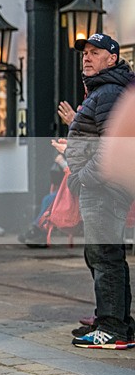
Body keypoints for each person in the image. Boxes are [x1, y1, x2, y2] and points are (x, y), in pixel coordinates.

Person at [65, 33, 135, 349]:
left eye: (96, 52)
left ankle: (112, 329)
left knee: (104, 254)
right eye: (85, 53)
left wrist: (83, 177)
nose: (87, 57)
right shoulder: (105, 91)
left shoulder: (107, 93)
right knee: (103, 253)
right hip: (104, 185)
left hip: (104, 187)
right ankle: (118, 323)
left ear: (112, 58)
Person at [18, 101, 76, 247]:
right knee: (49, 199)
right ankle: (38, 231)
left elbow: (77, 167)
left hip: (79, 189)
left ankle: (38, 231)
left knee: (50, 200)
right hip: (72, 187)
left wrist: (62, 162)